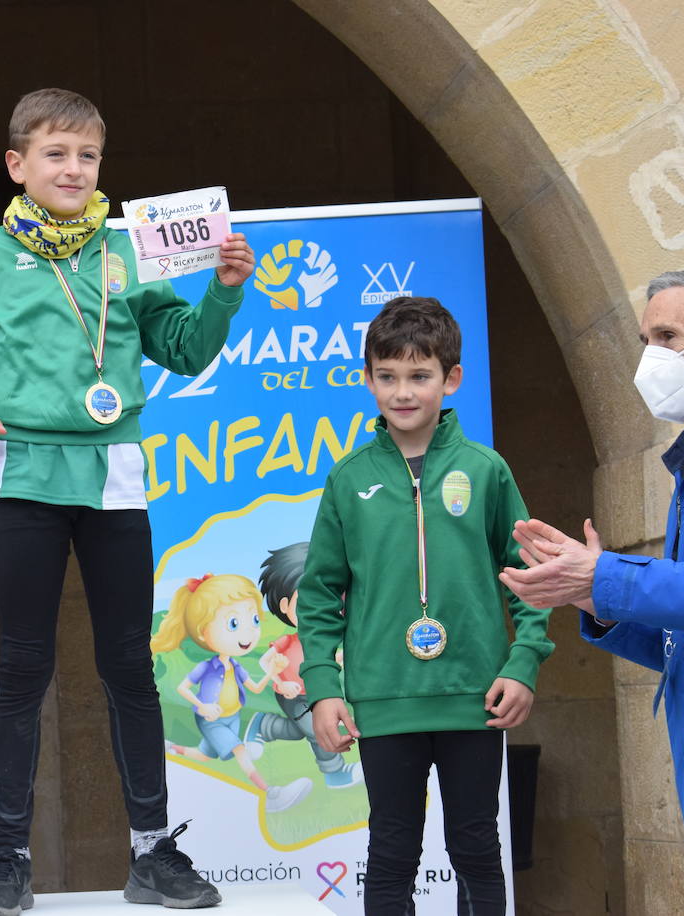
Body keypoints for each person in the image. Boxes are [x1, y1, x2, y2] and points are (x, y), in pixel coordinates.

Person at [0, 88, 254, 915]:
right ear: (19, 166)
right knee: (22, 668)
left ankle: (153, 854)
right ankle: (7, 860)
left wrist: (226, 291)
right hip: (24, 475)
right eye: (56, 154)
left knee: (130, 665)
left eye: (88, 155)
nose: (73, 168)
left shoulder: (131, 251)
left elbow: (185, 349)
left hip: (114, 479)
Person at [499, 267, 684, 914]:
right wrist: (594, 599)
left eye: (668, 335)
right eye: (645, 339)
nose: (651, 358)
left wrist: (608, 577)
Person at [295, 296, 553, 914]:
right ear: (367, 378)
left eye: (419, 375)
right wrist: (324, 685)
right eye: (387, 376)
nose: (402, 391)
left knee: (475, 848)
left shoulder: (486, 470)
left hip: (474, 697)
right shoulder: (348, 478)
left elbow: (530, 574)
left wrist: (523, 664)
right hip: (383, 700)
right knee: (390, 850)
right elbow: (319, 592)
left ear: (450, 379)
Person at [152, 572, 314, 813]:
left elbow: (256, 688)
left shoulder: (236, 666)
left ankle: (171, 748)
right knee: (239, 750)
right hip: (211, 720)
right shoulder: (207, 666)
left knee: (205, 755)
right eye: (234, 624)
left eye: (255, 621)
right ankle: (272, 794)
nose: (248, 633)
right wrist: (202, 705)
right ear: (201, 631)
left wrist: (274, 672)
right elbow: (182, 688)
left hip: (232, 718)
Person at [241, 543, 364, 790]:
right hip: (292, 694)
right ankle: (335, 772)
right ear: (286, 606)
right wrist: (280, 681)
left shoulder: (330, 637)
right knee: (315, 727)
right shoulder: (288, 641)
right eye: (308, 601)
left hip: (314, 690)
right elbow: (266, 662)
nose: (325, 609)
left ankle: (264, 725)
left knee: (297, 730)